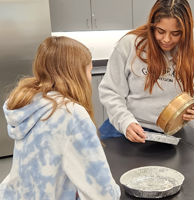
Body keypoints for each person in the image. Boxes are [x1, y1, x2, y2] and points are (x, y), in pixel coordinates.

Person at [0, 36, 120, 200]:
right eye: (89, 71)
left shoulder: (30, 103)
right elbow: (104, 194)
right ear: (76, 74)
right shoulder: (71, 113)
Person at [98, 0, 194, 143]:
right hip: (124, 129)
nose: (167, 39)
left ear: (186, 31)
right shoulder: (130, 45)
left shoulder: (192, 57)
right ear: (152, 26)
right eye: (160, 31)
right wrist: (125, 122)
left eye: (175, 33)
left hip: (169, 134)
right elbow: (111, 92)